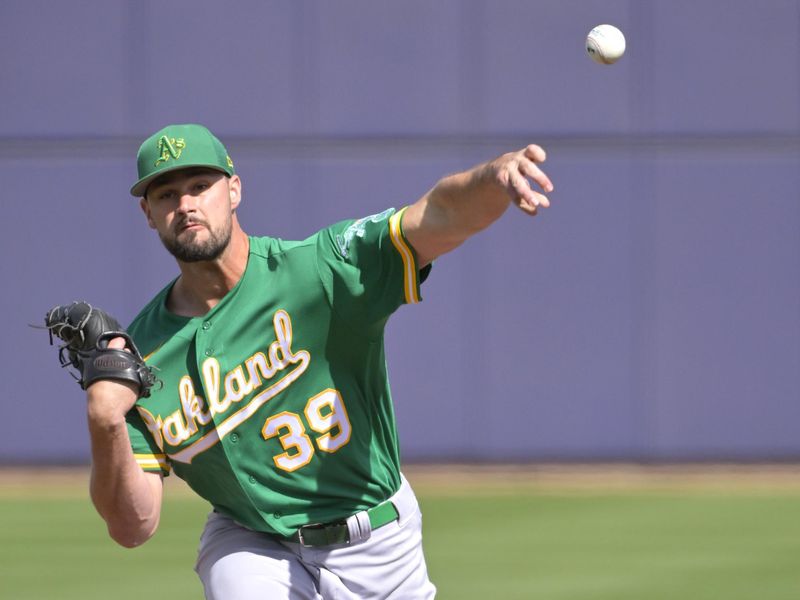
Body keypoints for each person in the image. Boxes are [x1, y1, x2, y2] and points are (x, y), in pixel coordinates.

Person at [86, 123, 554, 599]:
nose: (185, 205)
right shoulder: (139, 356)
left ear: (233, 190)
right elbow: (133, 526)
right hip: (252, 542)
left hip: (378, 540)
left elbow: (437, 214)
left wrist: (493, 178)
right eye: (166, 194)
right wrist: (105, 421)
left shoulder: (320, 270)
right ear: (148, 213)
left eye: (200, 187)